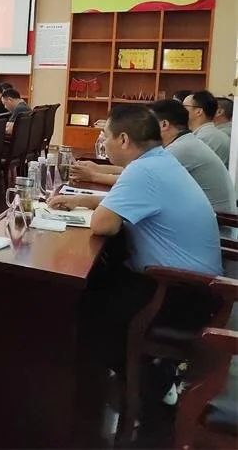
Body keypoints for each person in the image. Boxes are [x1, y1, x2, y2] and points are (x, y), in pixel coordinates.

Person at [48, 106, 222, 370]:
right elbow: (133, 203)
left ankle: (103, 381)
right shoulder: (159, 160)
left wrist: (93, 207)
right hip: (195, 288)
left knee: (77, 299)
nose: (103, 143)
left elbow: (103, 225)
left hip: (177, 293)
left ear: (123, 139)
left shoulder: (142, 170)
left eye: (106, 136)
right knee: (99, 275)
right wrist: (83, 200)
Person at [71, 100, 236, 214]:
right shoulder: (179, 144)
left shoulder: (180, 149)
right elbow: (133, 172)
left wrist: (94, 176)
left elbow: (135, 178)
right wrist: (99, 168)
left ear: (164, 125)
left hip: (220, 225)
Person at [184, 90, 230, 166]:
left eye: (184, 107)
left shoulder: (205, 138)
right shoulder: (207, 134)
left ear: (198, 111)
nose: (180, 111)